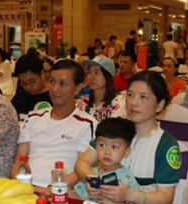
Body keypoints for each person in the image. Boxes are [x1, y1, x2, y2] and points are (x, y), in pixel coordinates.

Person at [75, 70, 181, 204]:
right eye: (130, 95)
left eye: (143, 97)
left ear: (160, 105)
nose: (134, 102)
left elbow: (166, 197)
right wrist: (91, 179)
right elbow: (81, 163)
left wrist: (129, 195)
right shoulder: (114, 129)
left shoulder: (166, 144)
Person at [10, 59, 97, 192]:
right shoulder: (33, 117)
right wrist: (20, 188)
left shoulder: (87, 124)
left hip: (61, 192)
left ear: (78, 88)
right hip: (26, 190)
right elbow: (19, 161)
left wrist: (52, 189)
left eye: (63, 84)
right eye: (52, 81)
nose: (55, 89)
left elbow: (80, 170)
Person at [73, 118, 140, 204]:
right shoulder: (89, 173)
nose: (107, 152)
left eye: (114, 147)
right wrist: (63, 186)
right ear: (96, 147)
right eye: (102, 145)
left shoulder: (127, 177)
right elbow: (78, 198)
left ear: (126, 152)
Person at [76, 55, 126, 122]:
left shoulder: (119, 102)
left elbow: (114, 130)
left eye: (97, 73)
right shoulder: (83, 101)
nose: (91, 77)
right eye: (89, 72)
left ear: (107, 76)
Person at [11, 53, 52, 121]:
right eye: (23, 83)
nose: (28, 87)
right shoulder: (19, 98)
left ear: (42, 74)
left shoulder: (55, 97)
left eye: (32, 82)